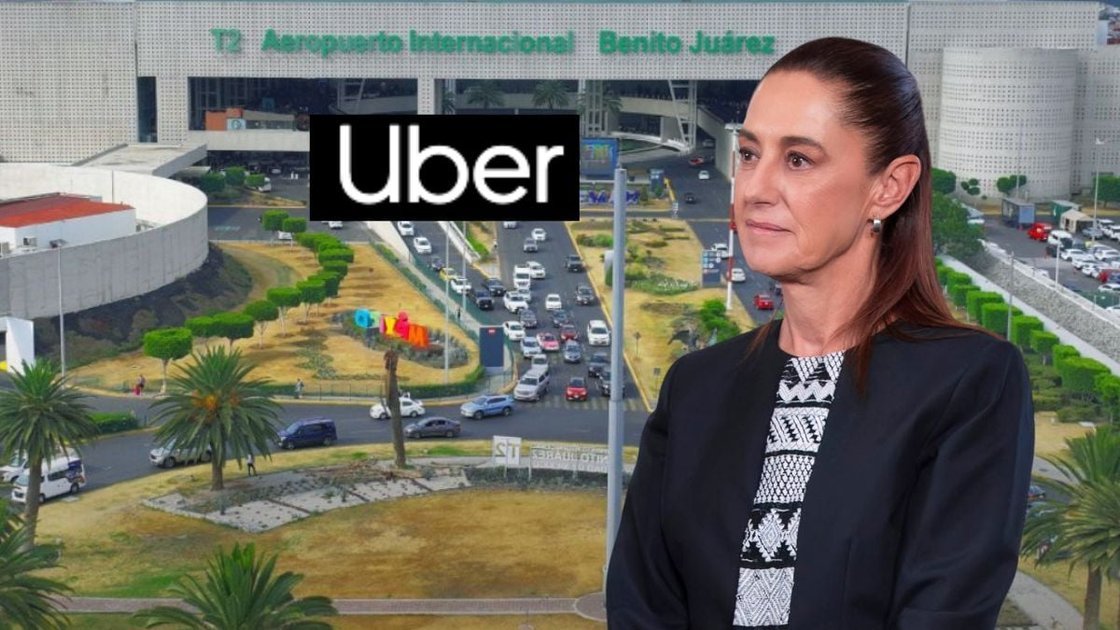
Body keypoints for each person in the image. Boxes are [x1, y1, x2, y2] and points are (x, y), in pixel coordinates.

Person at [606, 37, 1034, 629]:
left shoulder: (968, 383)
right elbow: (641, 605)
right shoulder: (695, 387)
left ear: (889, 186)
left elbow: (943, 612)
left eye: (799, 160)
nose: (755, 188)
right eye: (749, 153)